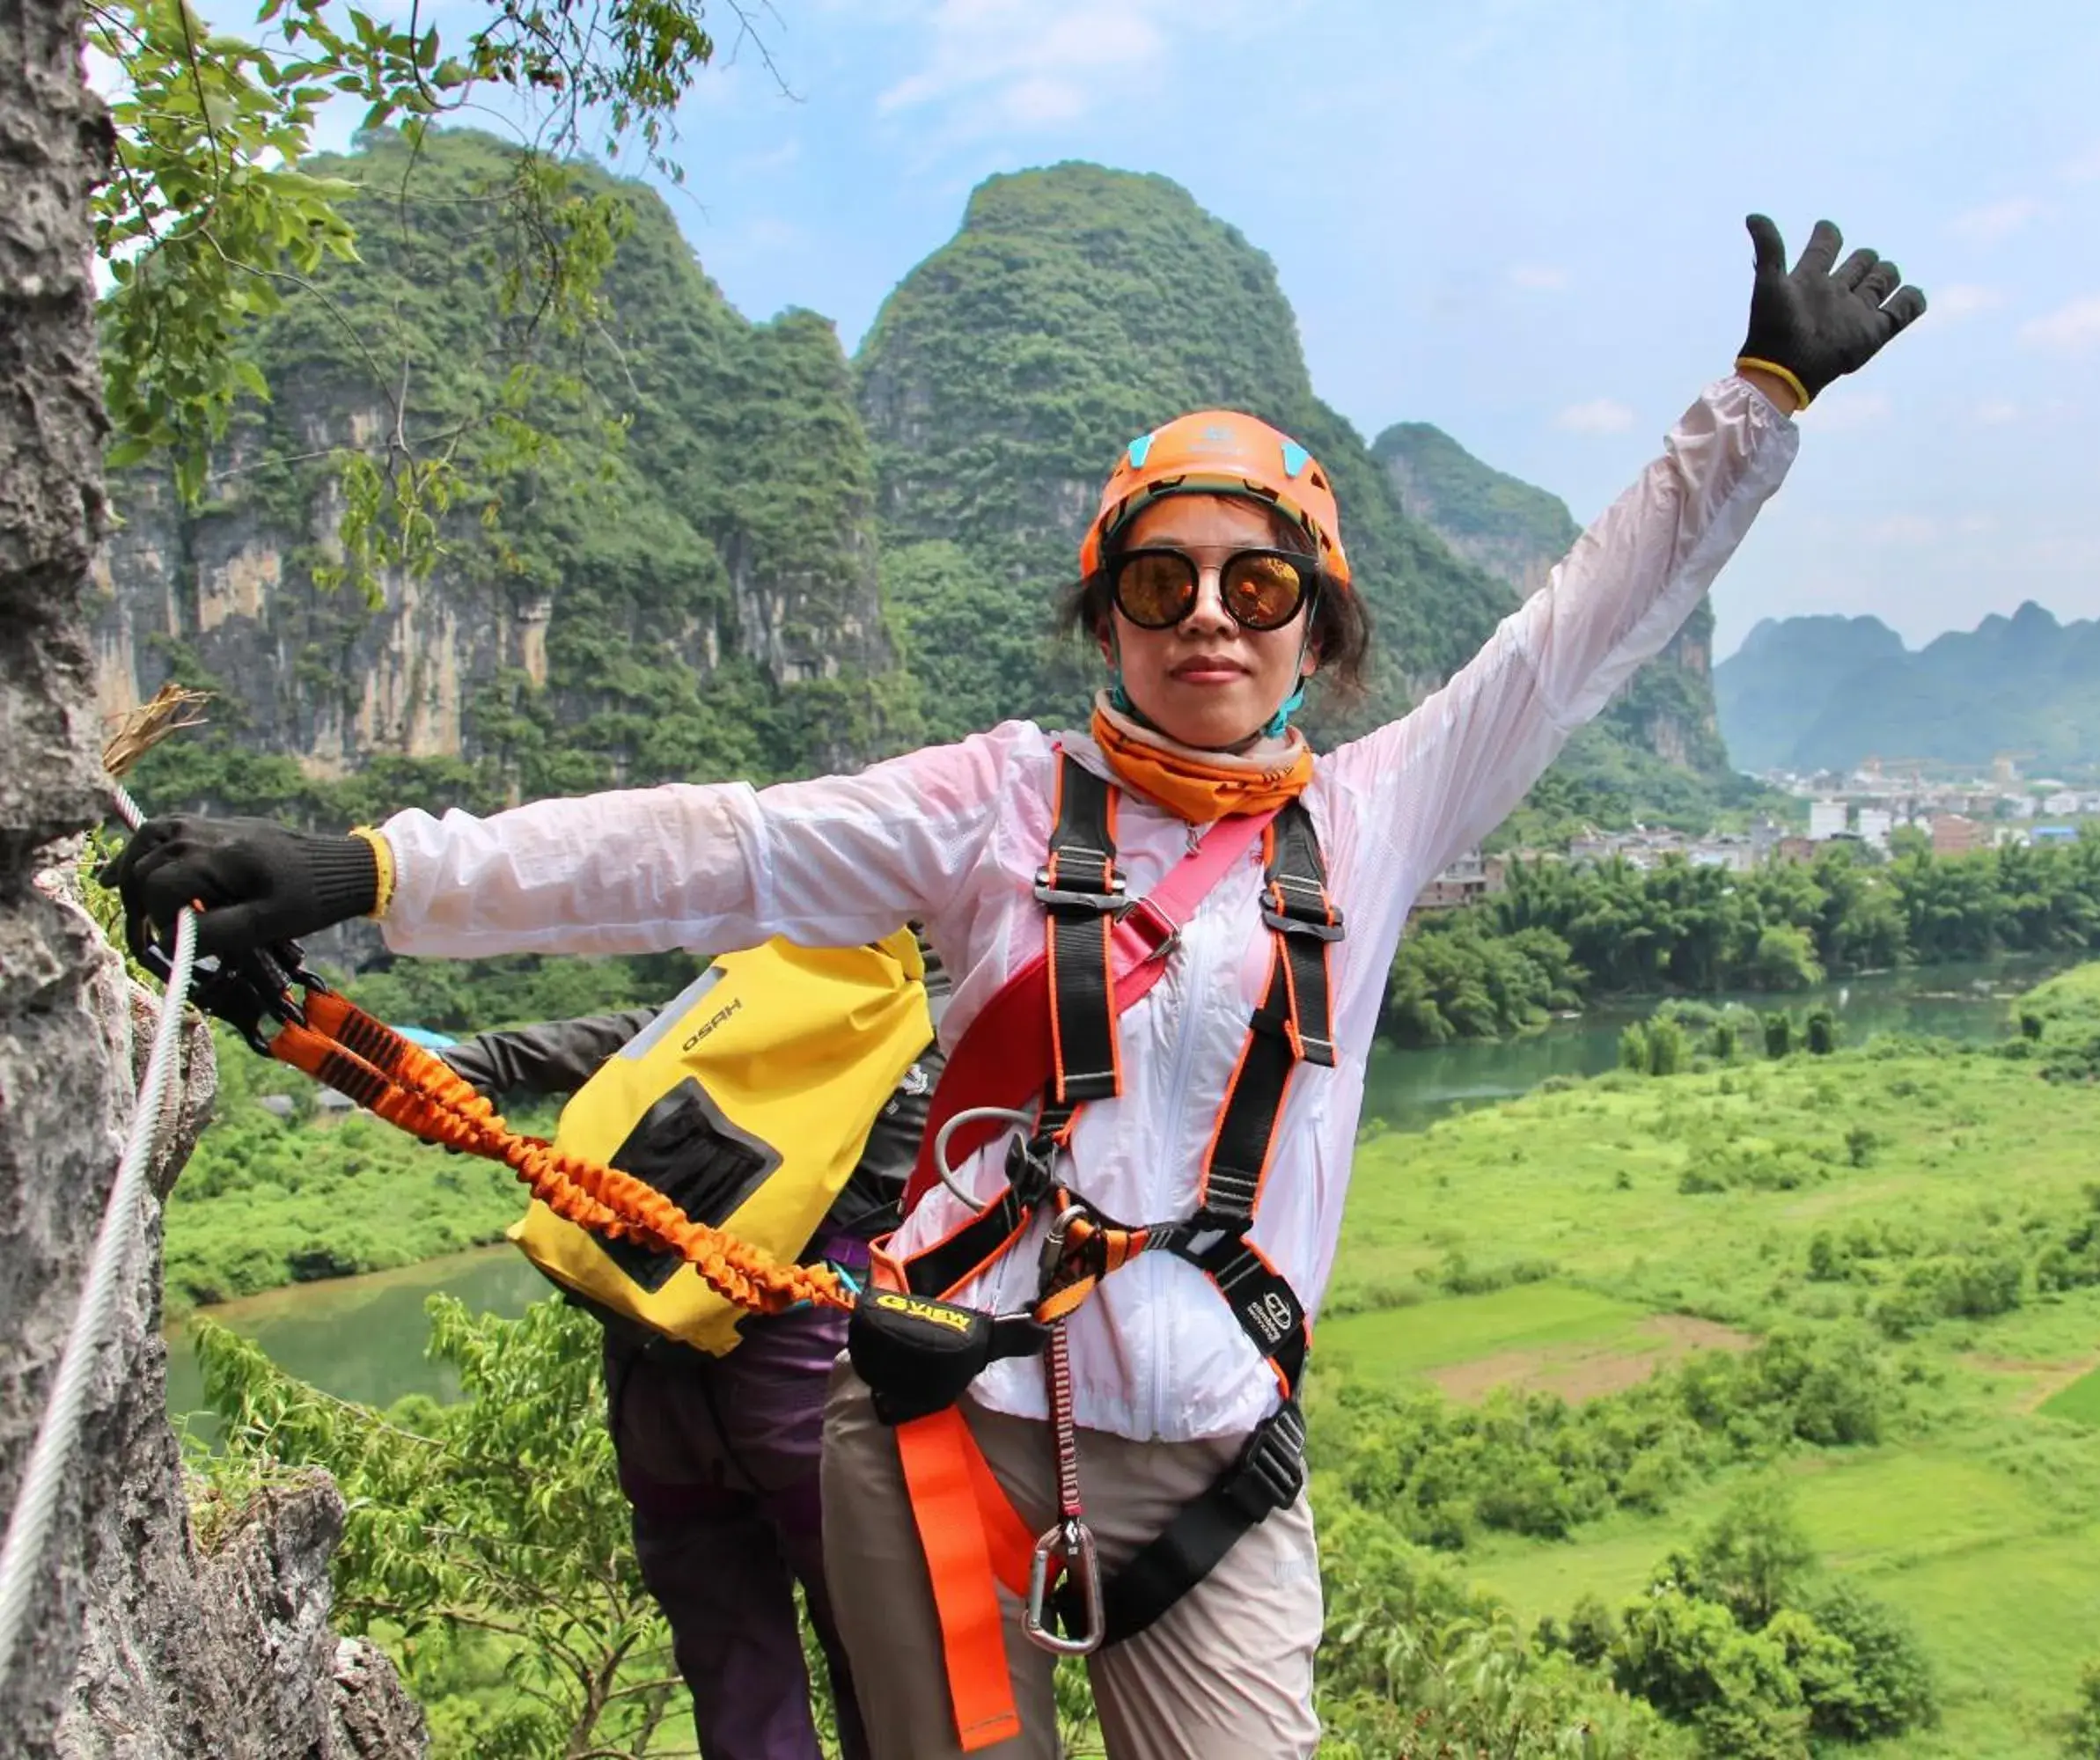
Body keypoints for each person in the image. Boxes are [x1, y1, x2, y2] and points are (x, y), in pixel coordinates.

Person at [109, 209, 1924, 1758]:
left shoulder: (1378, 819)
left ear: (1317, 624)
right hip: (939, 1424)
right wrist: (369, 874)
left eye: (1257, 582)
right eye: (1164, 577)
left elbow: (1578, 634)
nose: (1210, 613)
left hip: (1215, 1463)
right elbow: (709, 845)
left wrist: (1752, 409)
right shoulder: (991, 802)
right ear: (1107, 611)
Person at [436, 950, 950, 1760]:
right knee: (886, 1666)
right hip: (815, 1378)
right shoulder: (939, 1009)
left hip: (657, 1369)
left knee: (733, 1670)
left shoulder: (767, 975)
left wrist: (469, 1061)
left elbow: (626, 1036)